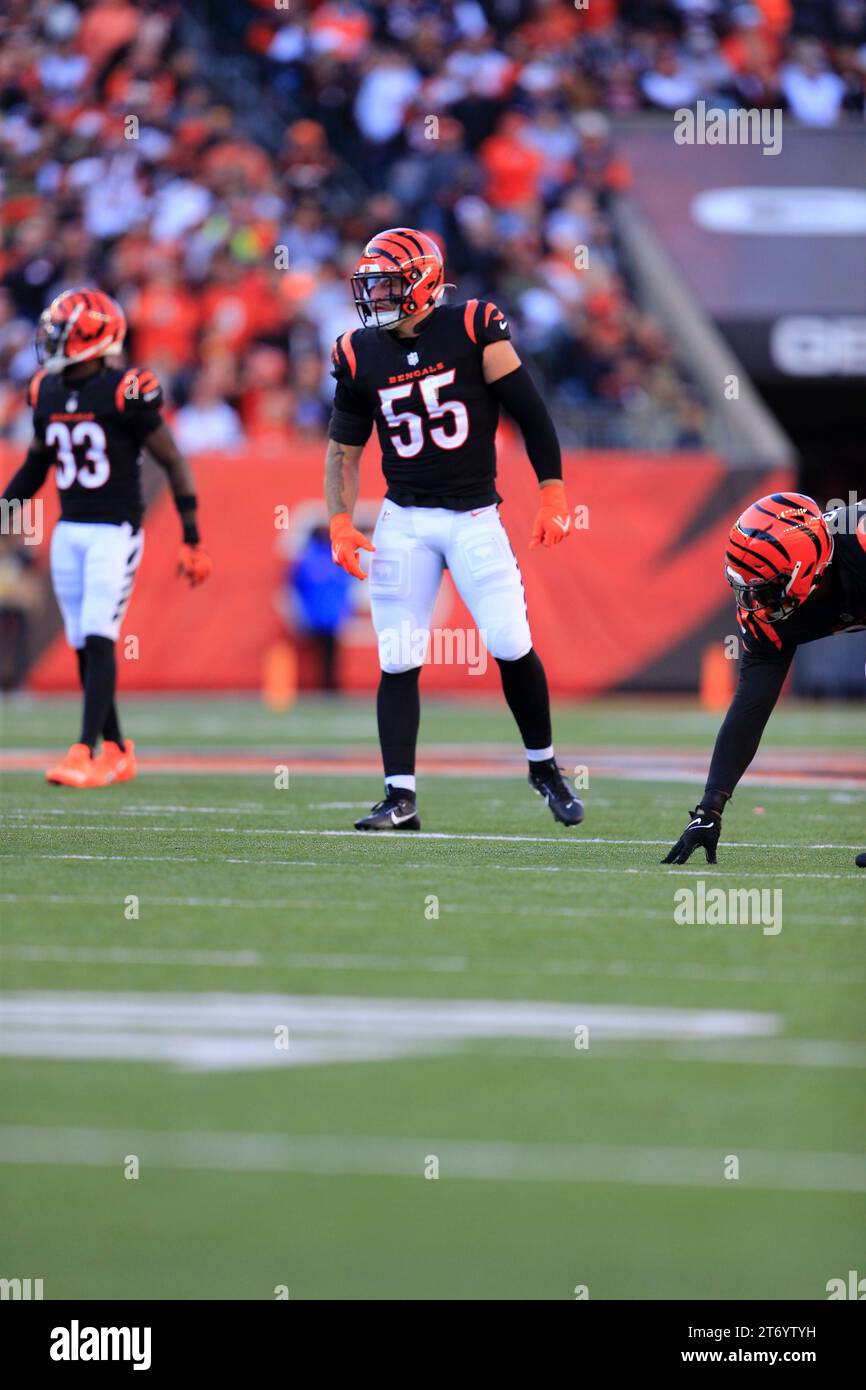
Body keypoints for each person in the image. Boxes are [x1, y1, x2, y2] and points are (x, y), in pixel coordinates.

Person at [325, 226, 584, 831]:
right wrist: (340, 518)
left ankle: (544, 767)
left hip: (473, 516)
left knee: (508, 642)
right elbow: (343, 451)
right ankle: (399, 795)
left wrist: (552, 491)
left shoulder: (472, 325)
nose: (376, 296)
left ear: (421, 282)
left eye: (388, 284)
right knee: (397, 656)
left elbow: (530, 412)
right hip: (403, 520)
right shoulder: (359, 351)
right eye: (373, 285)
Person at [0, 288, 212, 787]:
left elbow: (173, 459)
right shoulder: (45, 392)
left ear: (92, 336)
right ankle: (117, 748)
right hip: (70, 529)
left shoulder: (126, 390)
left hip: (114, 531)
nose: (50, 339)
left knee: (97, 634)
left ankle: (84, 750)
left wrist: (192, 534)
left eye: (61, 331)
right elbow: (35, 465)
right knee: (81, 642)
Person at [663, 492, 866, 866]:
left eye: (764, 587)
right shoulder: (768, 615)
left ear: (805, 569)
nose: (754, 600)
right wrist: (710, 808)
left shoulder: (860, 544)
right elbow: (750, 708)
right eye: (747, 587)